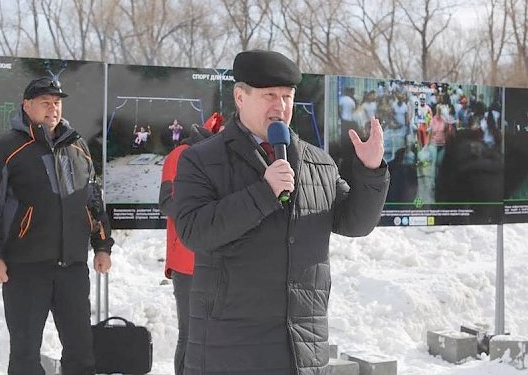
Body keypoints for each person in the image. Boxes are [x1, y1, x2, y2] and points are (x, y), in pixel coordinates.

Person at [170, 50, 389, 375]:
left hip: (302, 348)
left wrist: (370, 170)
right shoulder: (200, 159)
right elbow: (193, 231)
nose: (280, 106)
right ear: (240, 97)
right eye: (269, 96)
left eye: (287, 96)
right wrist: (264, 193)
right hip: (230, 349)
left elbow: (354, 223)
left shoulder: (318, 162)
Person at [0, 76, 114, 375]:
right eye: (45, 103)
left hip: (73, 269)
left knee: (81, 351)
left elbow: (94, 202)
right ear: (27, 106)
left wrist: (102, 246)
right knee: (25, 355)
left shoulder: (77, 147)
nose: (53, 109)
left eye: (57, 103)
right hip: (25, 269)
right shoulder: (6, 148)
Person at [158, 112, 224, 375]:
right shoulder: (181, 155)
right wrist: (208, 209)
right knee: (191, 333)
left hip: (220, 258)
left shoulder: (224, 157)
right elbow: (167, 202)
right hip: (187, 260)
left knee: (218, 335)